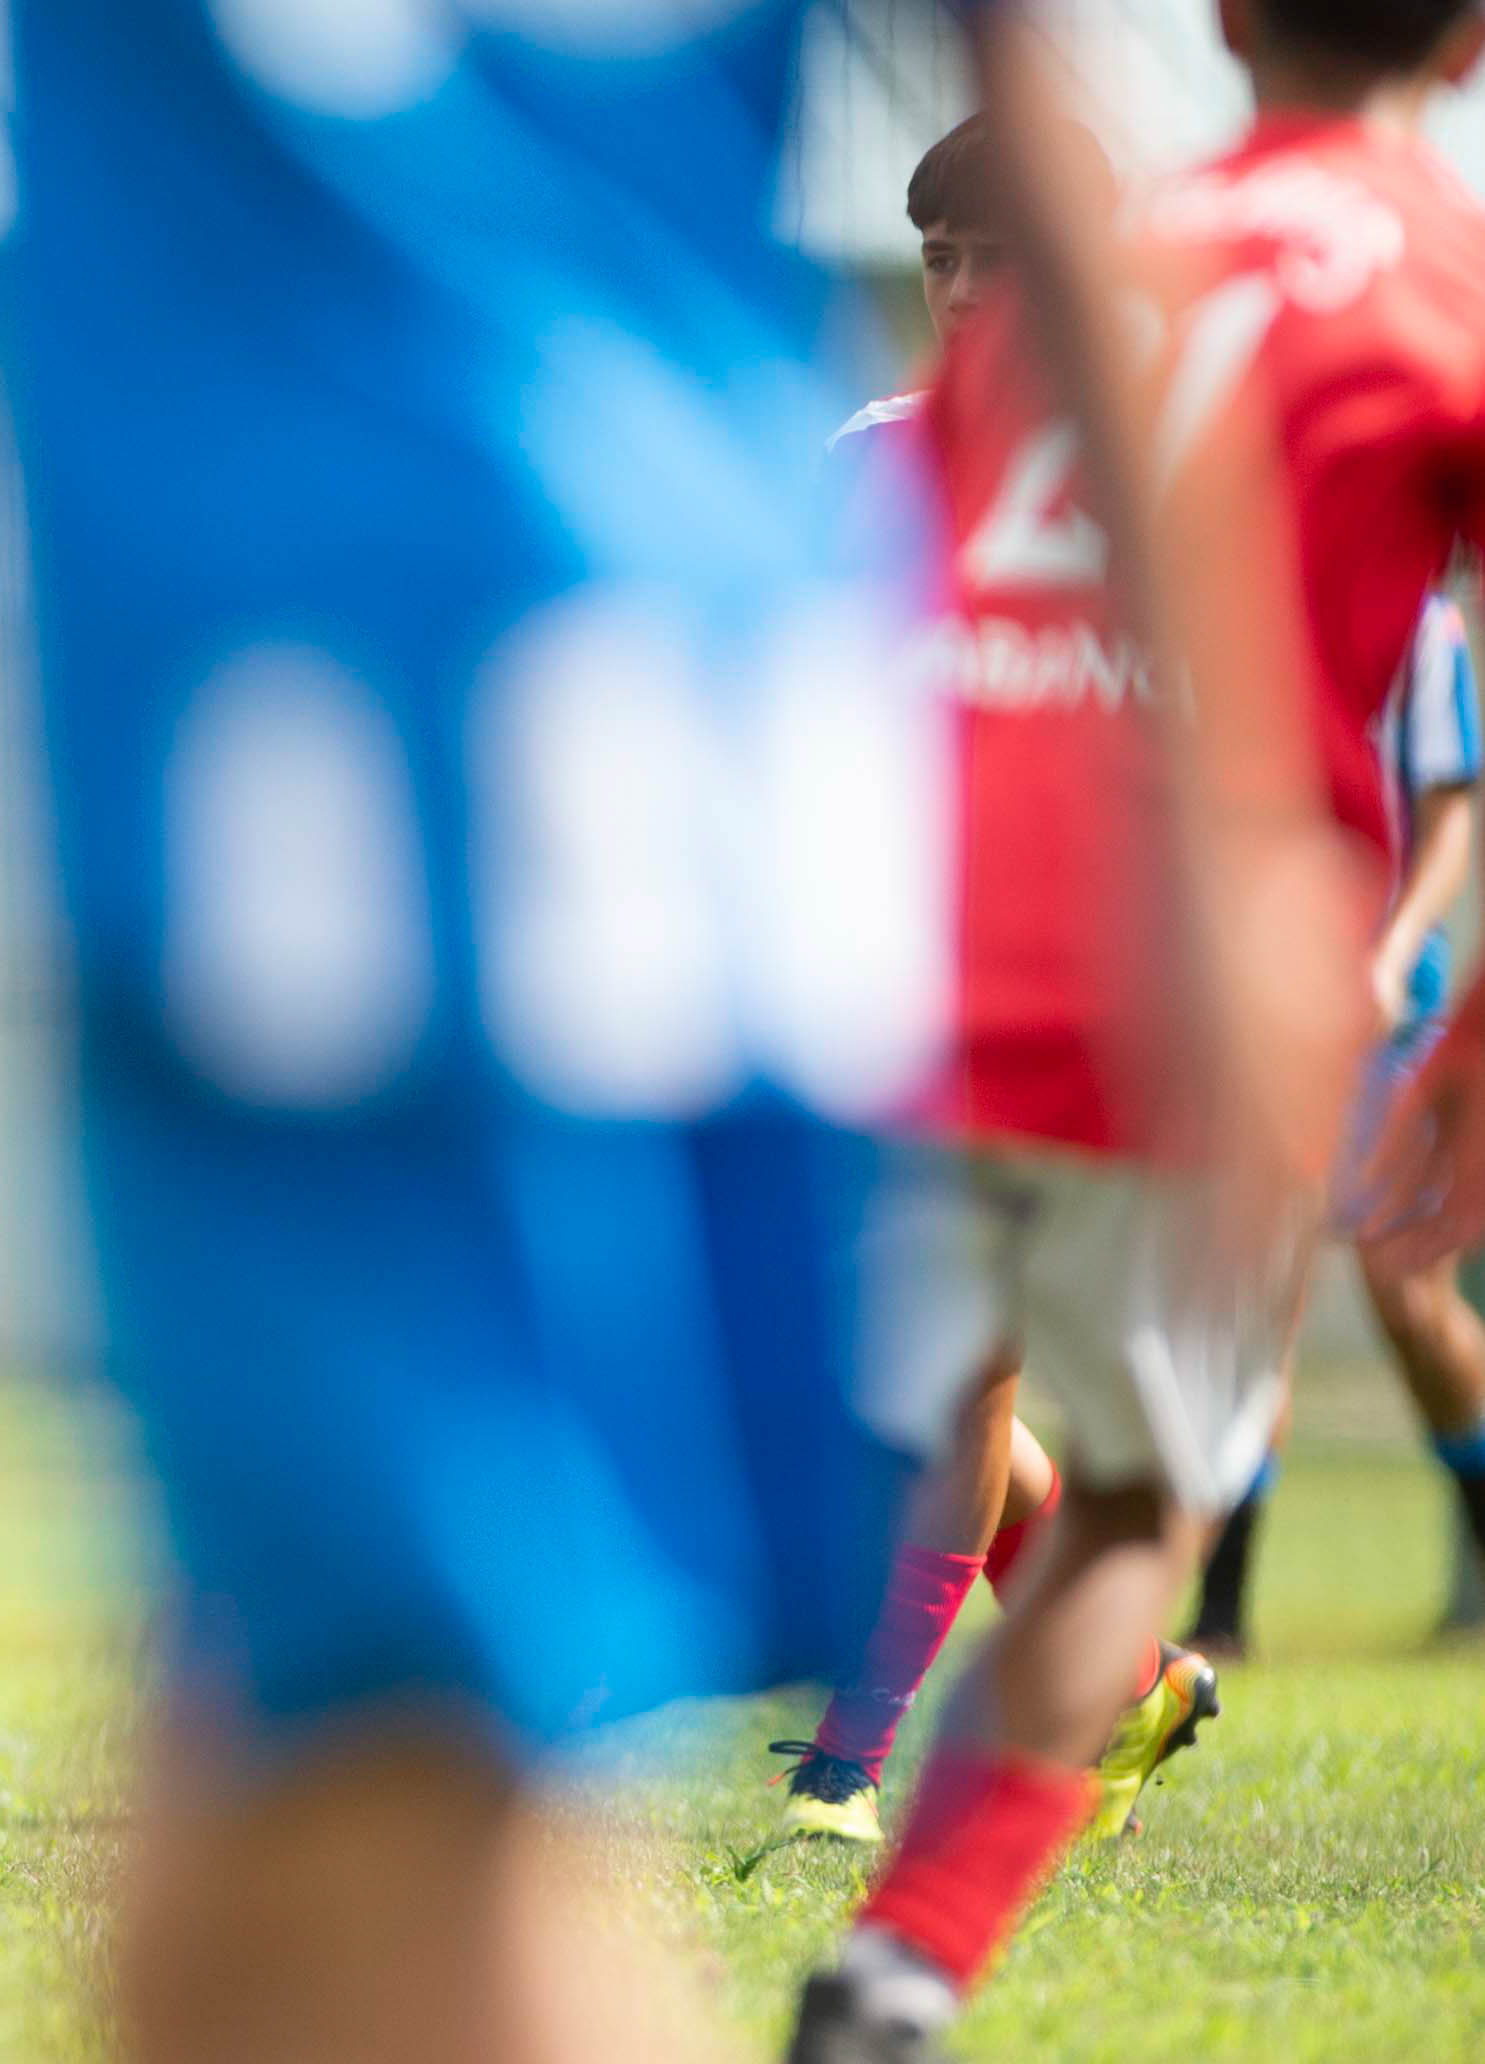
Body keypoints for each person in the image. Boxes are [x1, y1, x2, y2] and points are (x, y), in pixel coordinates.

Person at [0, 5, 1158, 2058]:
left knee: (429, 1812)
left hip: (362, 759)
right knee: (230, 1862)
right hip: (673, 708)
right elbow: (1036, 97)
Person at [793, 5, 1485, 2057]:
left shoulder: (1105, 266)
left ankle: (841, 1756)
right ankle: (897, 1954)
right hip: (1181, 968)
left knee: (931, 1399)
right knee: (1111, 1501)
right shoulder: (1428, 271)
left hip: (928, 943)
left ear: (1211, 24)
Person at [766, 114, 1095, 1859]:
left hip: (1066, 989)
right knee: (887, 1360)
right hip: (875, 976)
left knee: (956, 1360)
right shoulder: (865, 456)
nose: (963, 288)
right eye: (937, 258)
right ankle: (1124, 1683)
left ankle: (846, 1759)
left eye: (997, 253)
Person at [1191, 590, 1485, 1655]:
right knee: (1260, 1285)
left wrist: (1398, 950)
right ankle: (1223, 1615)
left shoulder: (1423, 621)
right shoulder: (1251, 579)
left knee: (1407, 1295)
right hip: (1274, 999)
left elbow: (1449, 816)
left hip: (1390, 1004)